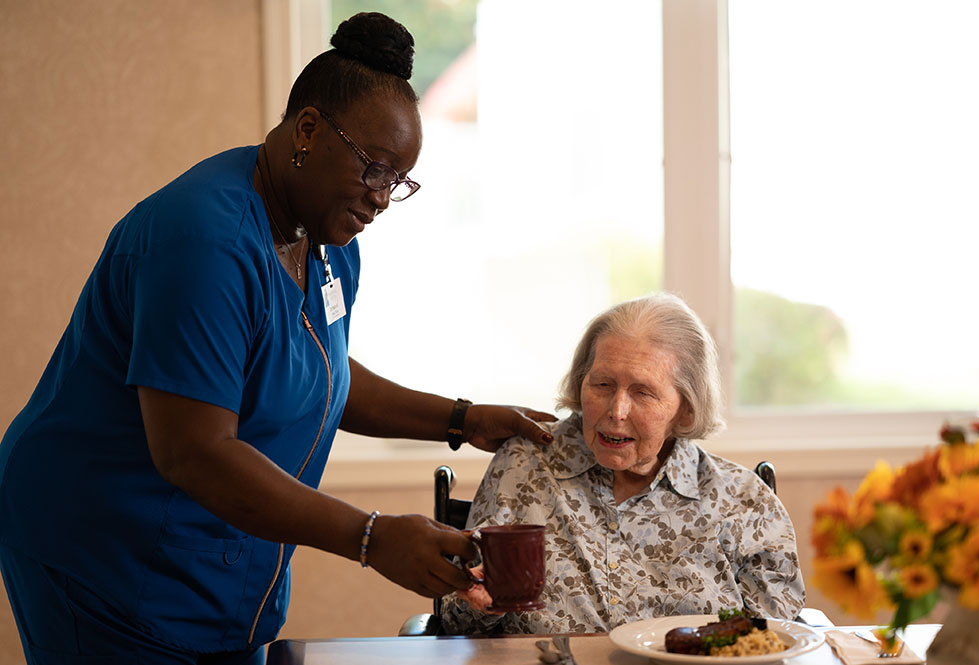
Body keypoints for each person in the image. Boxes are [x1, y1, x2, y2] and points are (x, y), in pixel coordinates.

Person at [0, 12, 554, 664]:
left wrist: (461, 417)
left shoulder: (327, 241)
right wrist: (372, 535)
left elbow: (315, 373)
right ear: (309, 130)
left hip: (207, 558)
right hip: (105, 553)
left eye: (398, 182)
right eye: (375, 168)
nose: (381, 199)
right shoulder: (204, 242)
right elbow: (194, 452)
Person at [441, 293, 805, 635]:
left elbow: (774, 638)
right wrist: (482, 602)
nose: (616, 411)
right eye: (602, 384)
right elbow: (457, 623)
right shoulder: (525, 465)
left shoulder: (742, 502)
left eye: (643, 392)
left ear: (687, 407)